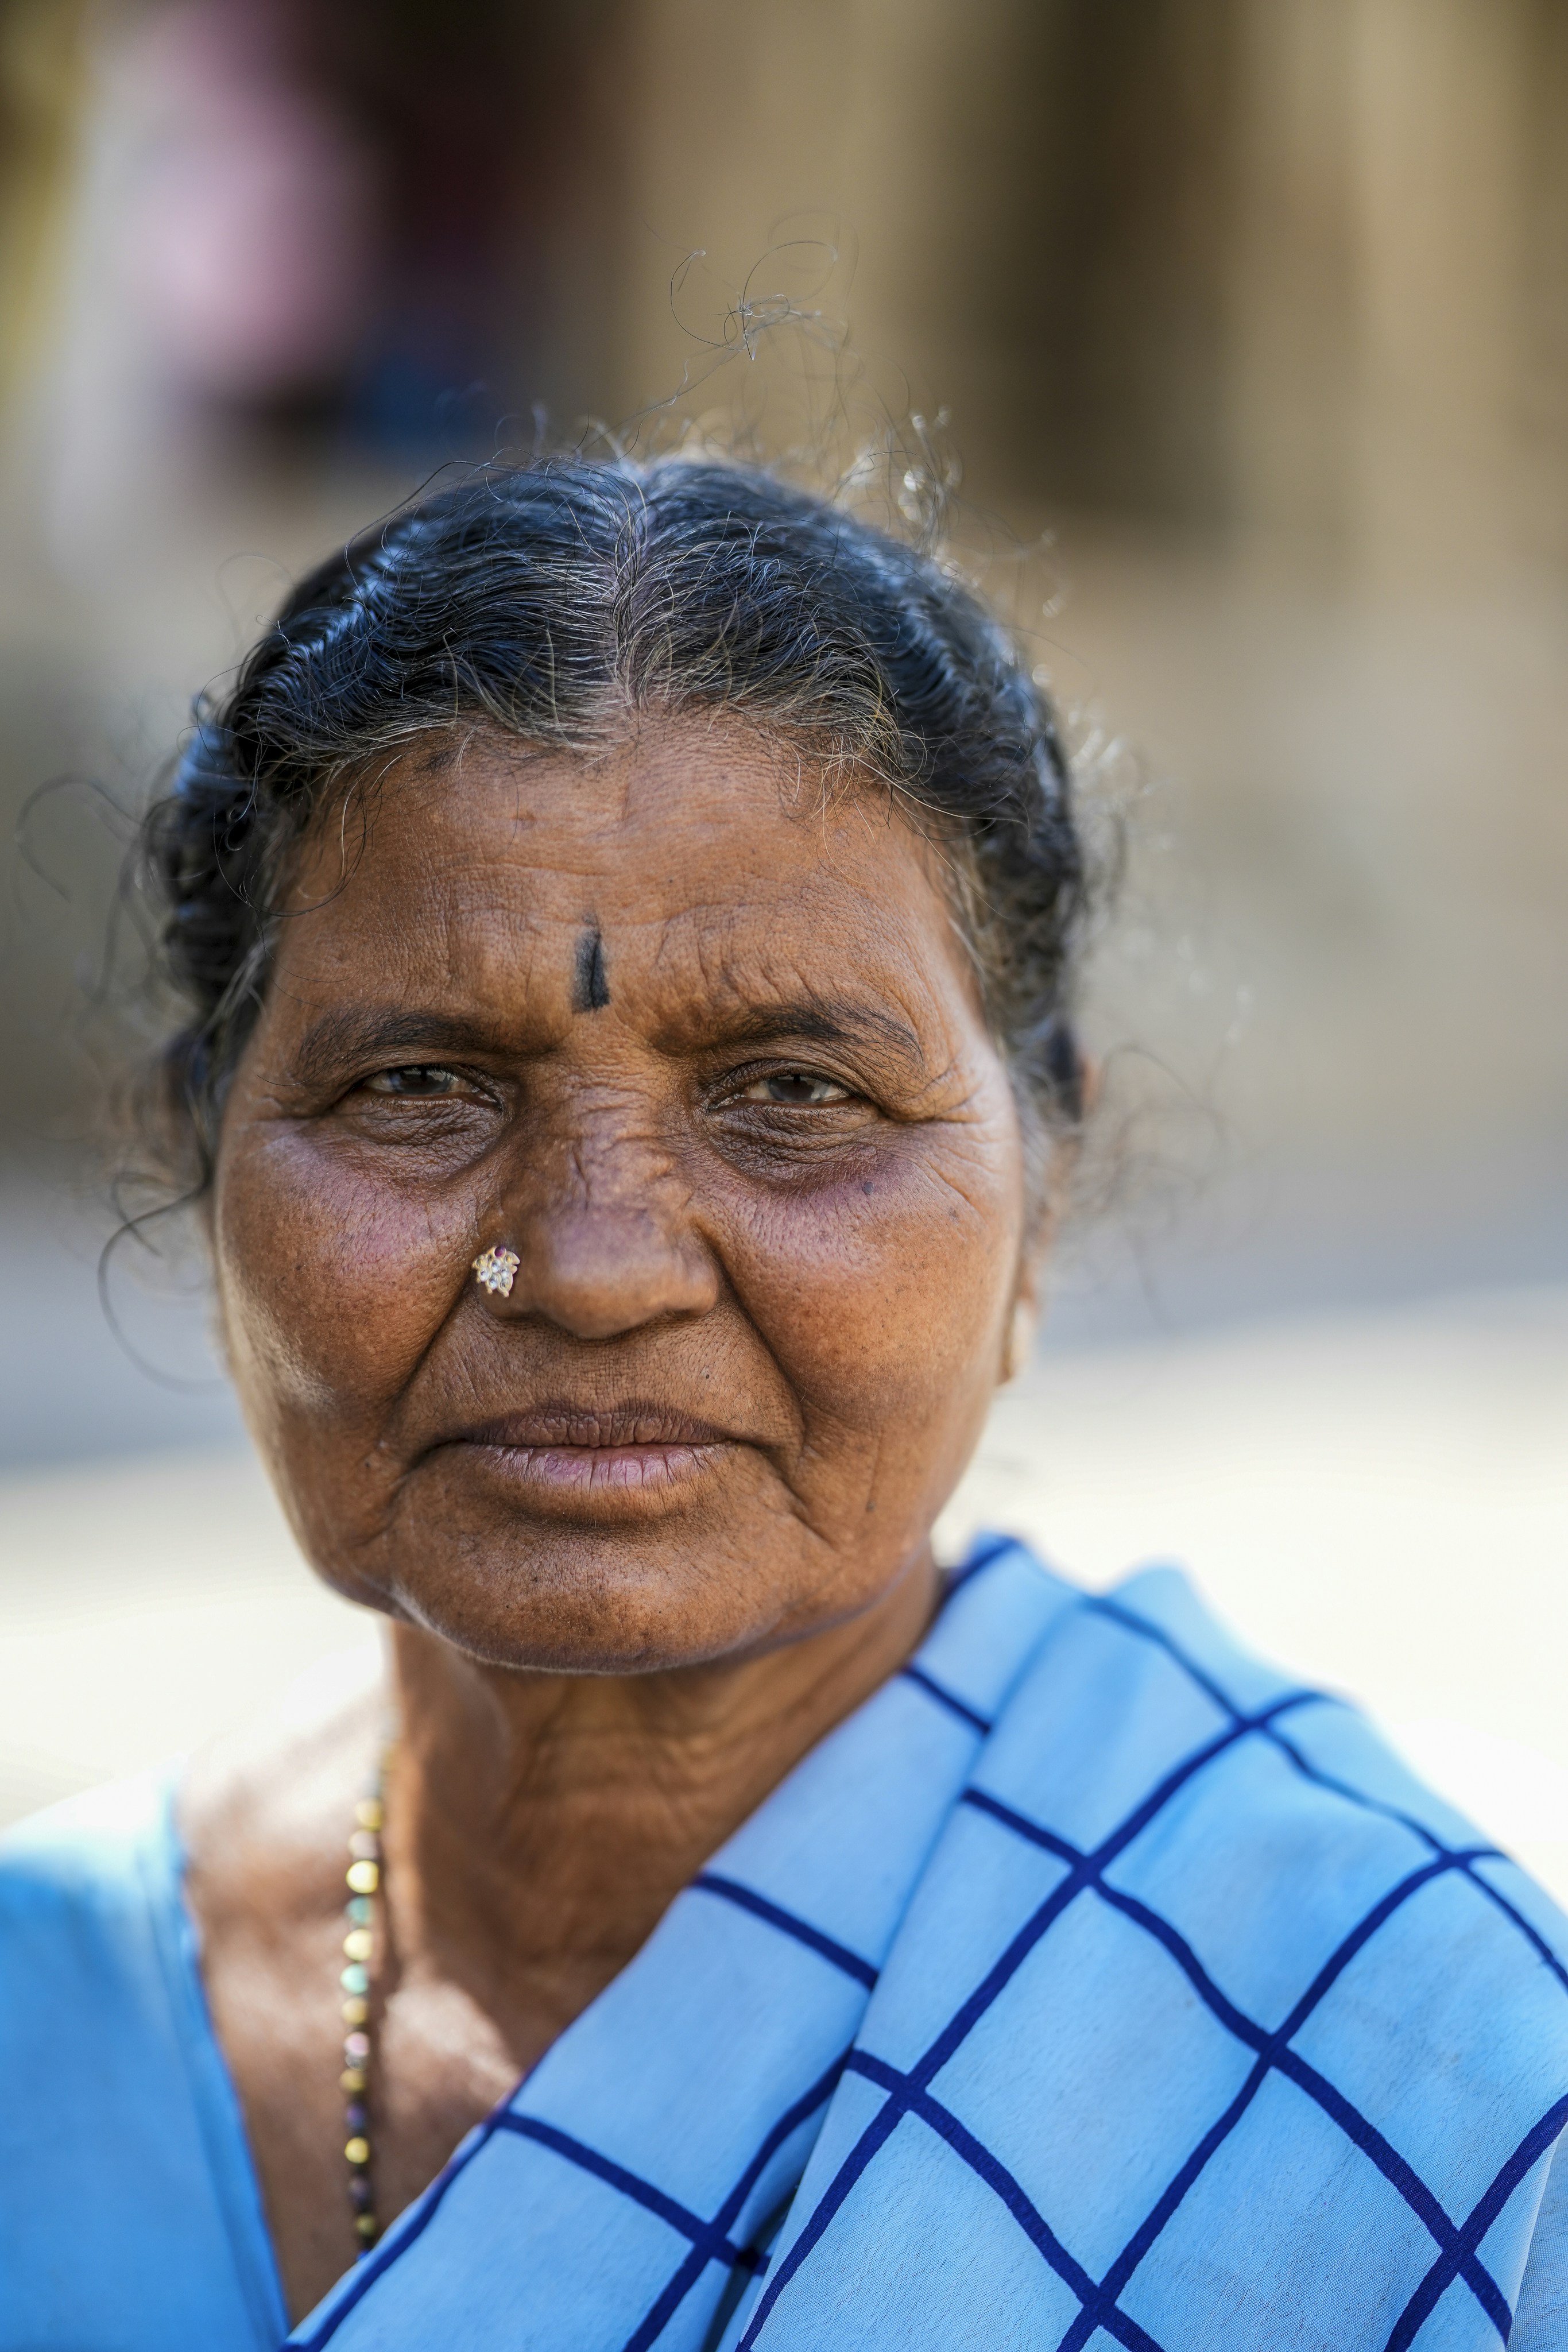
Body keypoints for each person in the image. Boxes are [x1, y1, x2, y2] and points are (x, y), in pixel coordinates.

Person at [1, 455, 1565, 2352]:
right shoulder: (46, 2021)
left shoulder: (1428, 2076)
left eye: (794, 1095)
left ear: (1044, 1188)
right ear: (198, 1156)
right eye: (418, 1086)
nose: (594, 1269)